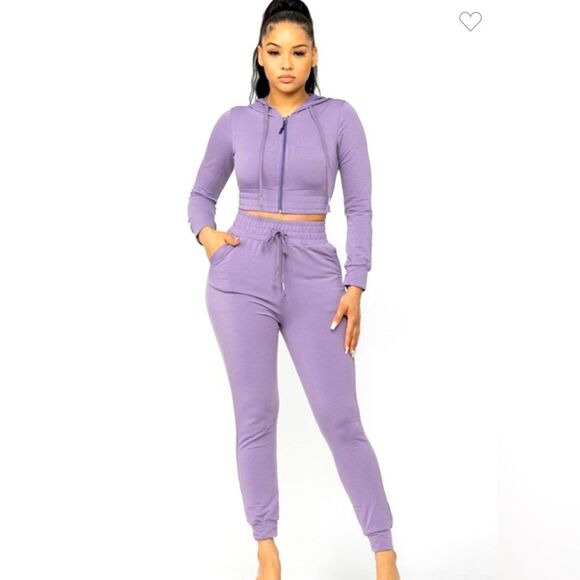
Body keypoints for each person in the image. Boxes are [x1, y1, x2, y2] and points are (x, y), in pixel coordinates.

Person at [187, 2, 401, 579]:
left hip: (315, 275)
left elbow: (359, 206)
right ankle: (267, 550)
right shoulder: (235, 121)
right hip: (240, 277)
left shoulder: (339, 118)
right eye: (275, 51)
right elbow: (200, 195)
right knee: (256, 413)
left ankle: (384, 554)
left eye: (298, 52)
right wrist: (210, 239)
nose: (286, 63)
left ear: (314, 57)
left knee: (340, 418)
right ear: (260, 56)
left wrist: (355, 282)